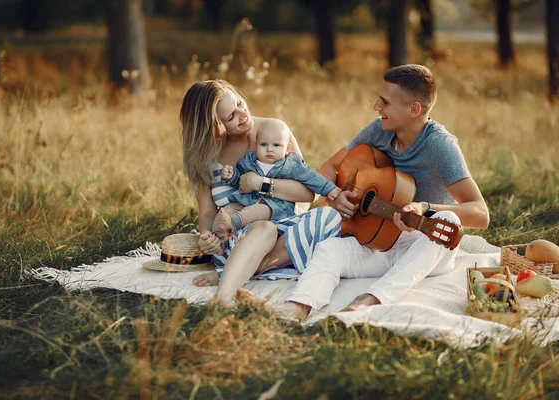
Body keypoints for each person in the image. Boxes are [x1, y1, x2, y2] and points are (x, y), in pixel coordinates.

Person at [237, 64, 490, 320]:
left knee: (449, 220)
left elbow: (480, 214)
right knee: (330, 250)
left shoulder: (440, 146)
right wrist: (334, 195)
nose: (376, 107)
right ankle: (296, 308)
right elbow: (331, 166)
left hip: (426, 244)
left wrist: (425, 208)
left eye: (385, 102)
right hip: (379, 241)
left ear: (413, 109)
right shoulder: (379, 130)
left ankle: (369, 300)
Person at [180, 79, 342, 304]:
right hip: (234, 237)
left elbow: (308, 194)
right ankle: (224, 296)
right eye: (231, 117)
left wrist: (261, 184)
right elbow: (207, 212)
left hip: (283, 232)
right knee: (263, 228)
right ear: (213, 127)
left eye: (238, 103)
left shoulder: (274, 131)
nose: (242, 113)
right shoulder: (205, 157)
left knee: (330, 217)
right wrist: (207, 237)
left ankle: (229, 275)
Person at [212, 126, 342, 246]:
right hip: (247, 201)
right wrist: (232, 175)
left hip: (275, 208)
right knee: (227, 209)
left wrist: (329, 188)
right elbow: (241, 180)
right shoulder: (249, 161)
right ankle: (218, 240)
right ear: (256, 146)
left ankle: (233, 223)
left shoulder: (291, 164)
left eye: (276, 145)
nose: (269, 149)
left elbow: (312, 177)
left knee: (261, 210)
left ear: (287, 149)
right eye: (264, 144)